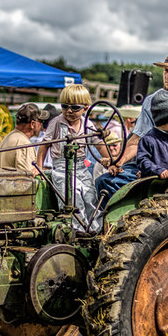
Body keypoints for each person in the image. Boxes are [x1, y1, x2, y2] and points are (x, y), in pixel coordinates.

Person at [98, 46, 168, 198]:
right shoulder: (151, 101)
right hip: (154, 164)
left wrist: (156, 167)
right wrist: (119, 161)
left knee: (158, 190)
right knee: (105, 182)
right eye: (166, 70)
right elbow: (136, 140)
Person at [36, 84, 109, 232]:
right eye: (65, 106)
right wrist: (39, 167)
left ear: (85, 108)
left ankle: (96, 231)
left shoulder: (87, 124)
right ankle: (76, 232)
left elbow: (99, 144)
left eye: (74, 108)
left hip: (81, 168)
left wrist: (110, 160)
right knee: (74, 198)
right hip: (62, 169)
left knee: (90, 196)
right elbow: (44, 146)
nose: (69, 111)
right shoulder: (57, 123)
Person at [0, 104, 44, 173]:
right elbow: (27, 175)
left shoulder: (9, 136)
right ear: (32, 124)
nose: (41, 125)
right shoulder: (24, 143)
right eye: (40, 122)